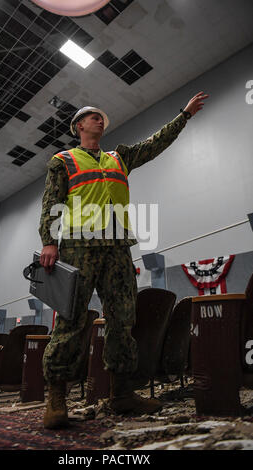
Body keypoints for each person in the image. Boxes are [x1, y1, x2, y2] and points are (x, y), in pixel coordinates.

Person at [39, 92, 209, 429]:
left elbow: (156, 143)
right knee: (71, 320)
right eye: (93, 117)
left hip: (117, 248)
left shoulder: (119, 157)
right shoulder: (63, 160)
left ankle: (121, 394)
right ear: (79, 126)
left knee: (123, 319)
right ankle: (56, 398)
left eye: (102, 117)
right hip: (78, 246)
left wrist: (184, 115)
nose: (100, 120)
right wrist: (48, 241)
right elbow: (50, 202)